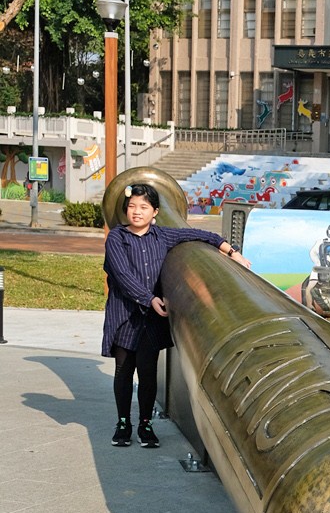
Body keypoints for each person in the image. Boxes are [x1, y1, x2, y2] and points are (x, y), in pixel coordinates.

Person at [102, 181, 250, 448]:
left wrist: (231, 252)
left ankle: (145, 424)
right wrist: (149, 299)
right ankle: (123, 422)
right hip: (126, 315)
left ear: (155, 212)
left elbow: (202, 235)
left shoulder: (163, 236)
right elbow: (122, 276)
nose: (136, 212)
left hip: (149, 320)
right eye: (132, 206)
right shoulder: (117, 237)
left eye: (143, 207)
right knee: (123, 370)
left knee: (147, 373)